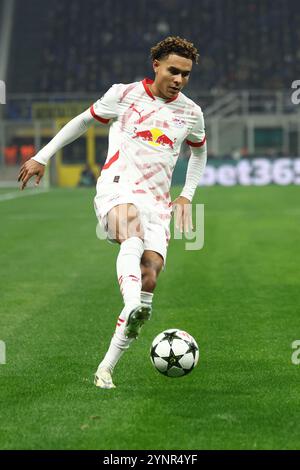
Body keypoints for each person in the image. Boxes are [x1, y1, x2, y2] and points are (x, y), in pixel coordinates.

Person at [18, 36, 207, 389]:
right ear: (156, 65)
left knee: (150, 274)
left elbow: (199, 154)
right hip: (117, 188)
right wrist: (41, 156)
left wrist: (186, 195)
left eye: (186, 74)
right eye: (173, 71)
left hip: (158, 203)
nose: (179, 80)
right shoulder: (124, 95)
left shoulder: (191, 113)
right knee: (129, 229)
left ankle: (106, 368)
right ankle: (133, 304)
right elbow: (82, 122)